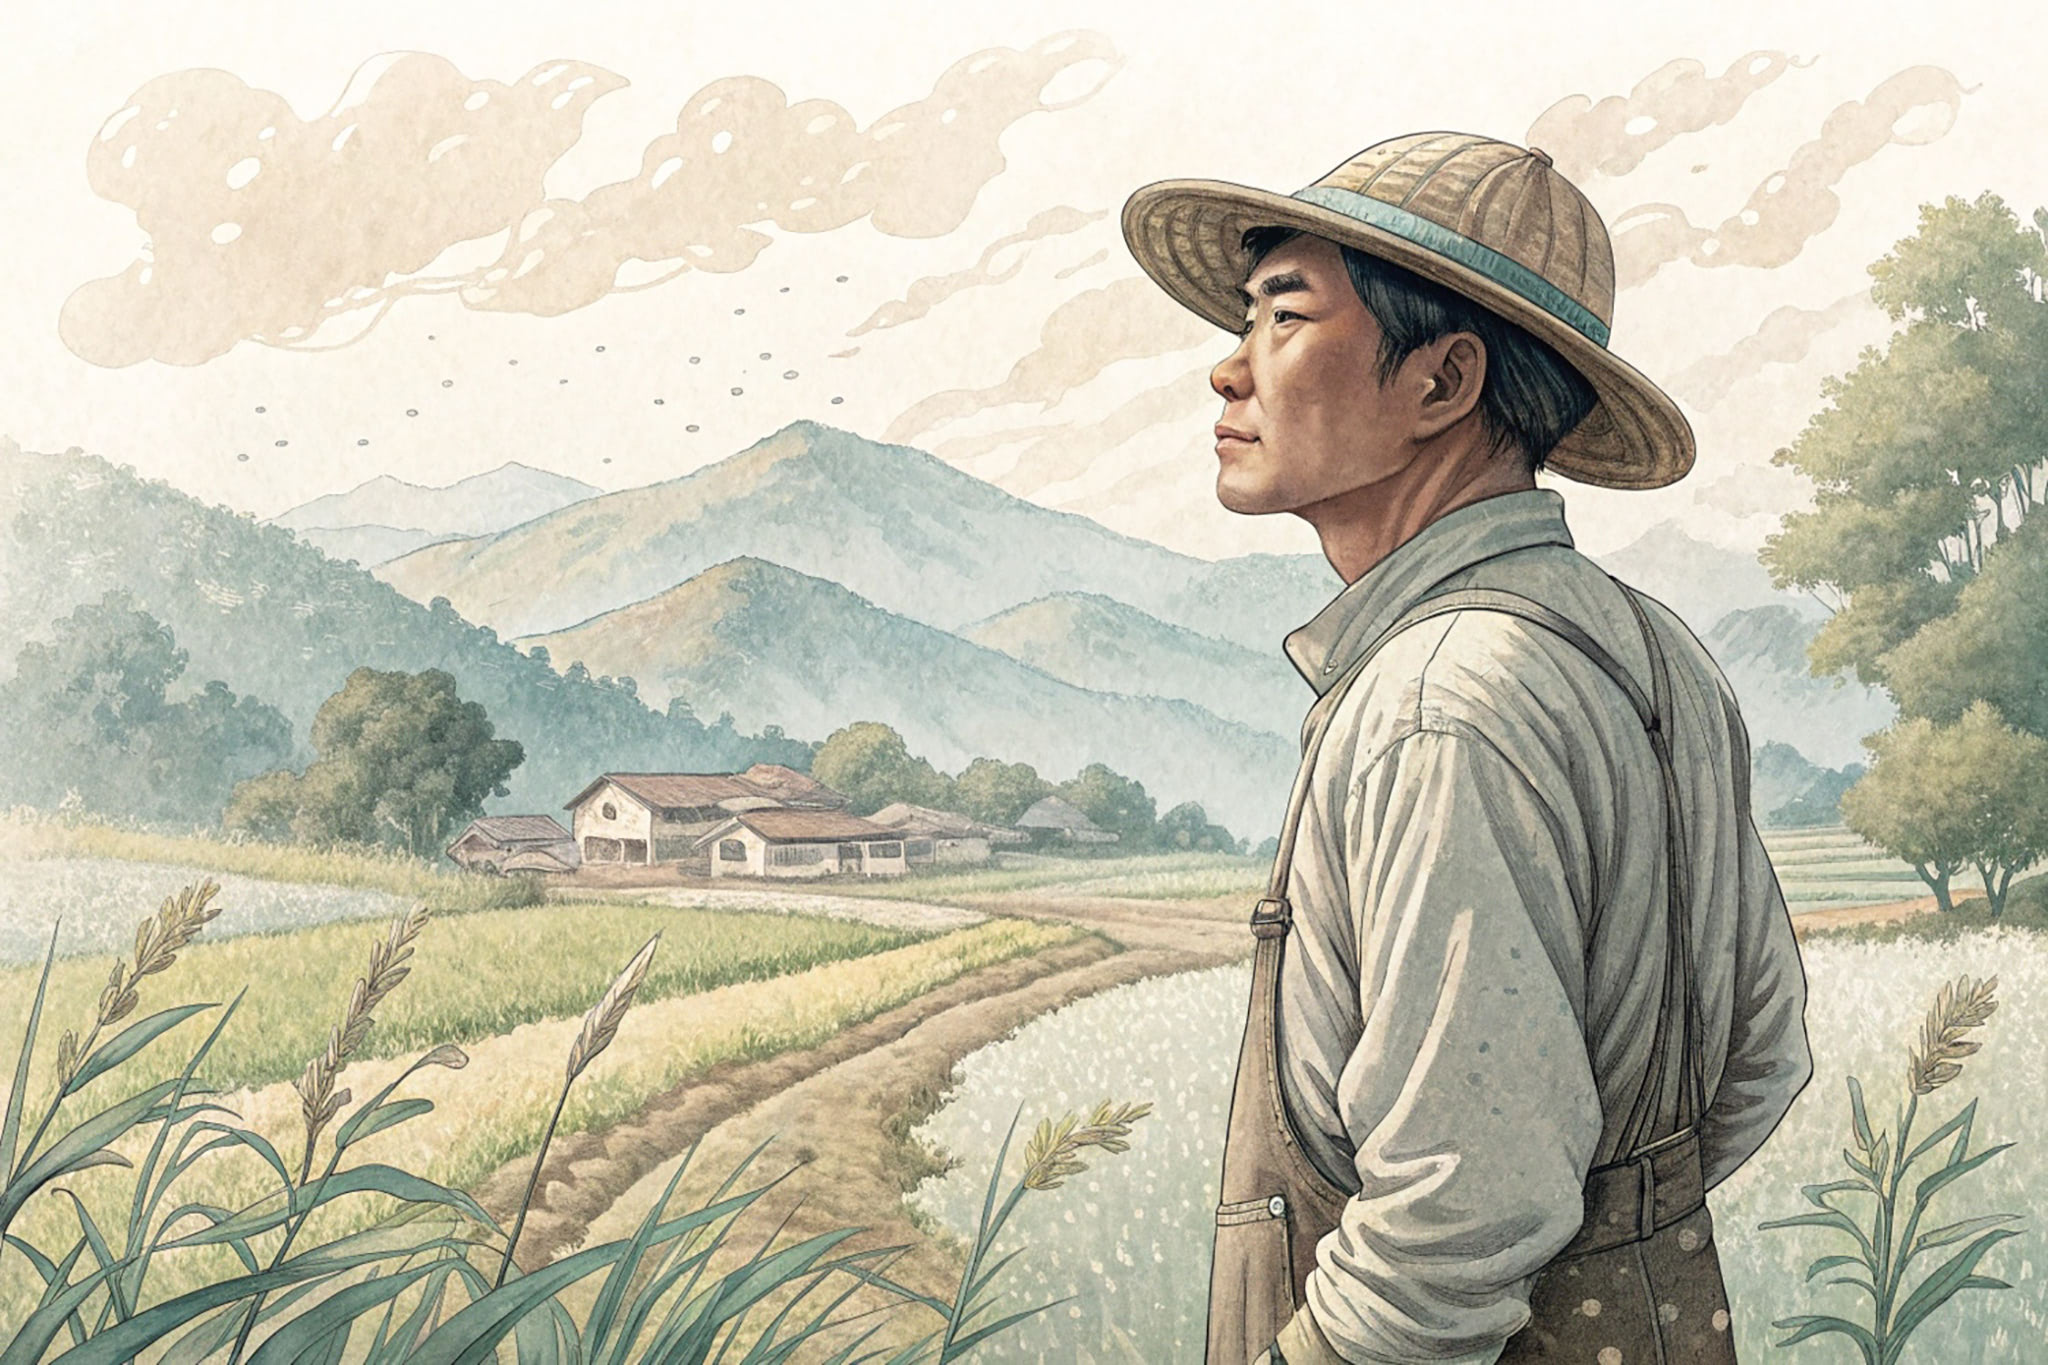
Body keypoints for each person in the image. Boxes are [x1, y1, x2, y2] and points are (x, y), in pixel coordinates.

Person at [1121, 132, 1812, 1364]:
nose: (1227, 369)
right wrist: (1610, 1240)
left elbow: (1453, 1218)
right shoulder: (1654, 649)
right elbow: (1757, 1058)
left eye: (1283, 316)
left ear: (1441, 384)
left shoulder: (1437, 700)